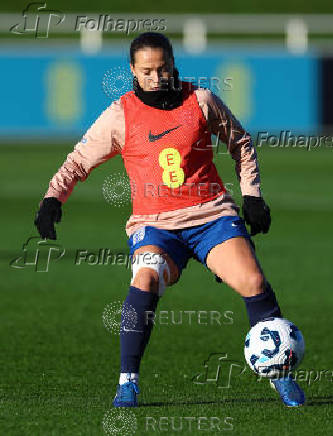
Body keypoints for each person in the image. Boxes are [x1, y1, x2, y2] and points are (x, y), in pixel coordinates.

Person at [34, 32, 305, 408]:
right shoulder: (120, 115)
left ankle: (281, 372)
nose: (156, 78)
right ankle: (127, 382)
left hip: (211, 215)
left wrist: (253, 195)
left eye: (163, 69)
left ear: (173, 64)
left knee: (252, 280)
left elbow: (240, 143)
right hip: (155, 224)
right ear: (132, 69)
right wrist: (52, 197)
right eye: (146, 71)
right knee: (144, 278)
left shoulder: (202, 101)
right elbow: (78, 160)